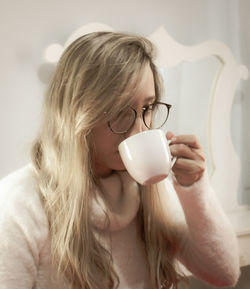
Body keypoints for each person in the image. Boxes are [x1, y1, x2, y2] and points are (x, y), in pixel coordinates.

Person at [0, 31, 240, 289]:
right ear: (76, 116)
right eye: (119, 112)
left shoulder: (149, 189)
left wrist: (194, 188)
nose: (140, 130)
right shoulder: (17, 206)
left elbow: (224, 274)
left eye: (147, 108)